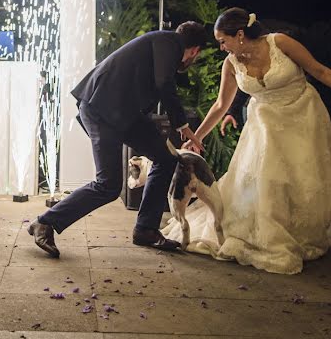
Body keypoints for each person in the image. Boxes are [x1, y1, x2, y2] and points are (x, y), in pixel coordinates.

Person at [163, 7, 331, 274]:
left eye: (223, 41)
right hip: (265, 123)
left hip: (303, 116)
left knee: (301, 180)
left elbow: (320, 71)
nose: (221, 48)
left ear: (239, 34)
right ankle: (269, 236)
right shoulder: (231, 64)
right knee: (266, 177)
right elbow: (221, 105)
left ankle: (299, 234)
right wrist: (196, 137)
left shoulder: (279, 43)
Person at [27, 22, 208, 256]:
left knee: (165, 159)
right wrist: (182, 125)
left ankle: (146, 230)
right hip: (101, 110)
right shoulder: (169, 42)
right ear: (195, 51)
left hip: (125, 113)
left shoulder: (162, 44)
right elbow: (164, 83)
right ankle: (45, 222)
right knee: (109, 185)